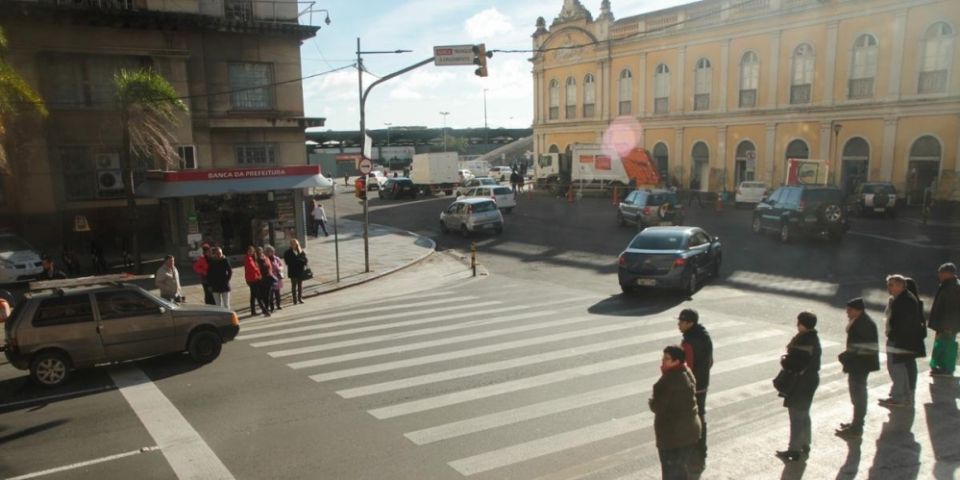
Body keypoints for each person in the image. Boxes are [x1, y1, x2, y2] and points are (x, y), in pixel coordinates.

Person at [649, 345, 701, 479]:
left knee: (670, 473)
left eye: (667, 358)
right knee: (680, 470)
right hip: (690, 432)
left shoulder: (667, 382)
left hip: (673, 437)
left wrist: (651, 401)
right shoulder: (687, 372)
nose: (663, 361)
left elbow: (657, 406)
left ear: (676, 361)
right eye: (663, 357)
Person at [776, 312, 821, 462]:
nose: (797, 325)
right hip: (809, 381)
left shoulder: (805, 340)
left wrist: (784, 361)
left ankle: (794, 450)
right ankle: (805, 443)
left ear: (804, 324)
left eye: (799, 322)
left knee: (796, 416)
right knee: (804, 413)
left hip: (801, 382)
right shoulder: (812, 338)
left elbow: (795, 363)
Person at [879, 274, 926, 408]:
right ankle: (902, 395)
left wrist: (893, 336)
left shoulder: (905, 300)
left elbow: (902, 323)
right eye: (888, 285)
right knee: (902, 369)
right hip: (903, 340)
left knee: (897, 369)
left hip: (900, 341)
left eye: (891, 285)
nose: (888, 288)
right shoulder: (901, 298)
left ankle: (900, 397)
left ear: (900, 285)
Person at [835, 298, 880, 438]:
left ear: (858, 310)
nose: (847, 313)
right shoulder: (861, 321)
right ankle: (856, 422)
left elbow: (859, 347)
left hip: (860, 365)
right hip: (860, 363)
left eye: (850, 310)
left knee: (858, 395)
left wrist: (844, 357)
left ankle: (857, 427)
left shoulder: (863, 324)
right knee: (856, 394)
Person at [678, 308, 713, 470]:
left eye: (682, 322)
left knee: (691, 422)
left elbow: (687, 368)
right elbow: (710, 361)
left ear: (690, 323)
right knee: (701, 418)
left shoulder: (688, 343)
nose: (679, 324)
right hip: (703, 384)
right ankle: (701, 455)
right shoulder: (705, 337)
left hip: (692, 388)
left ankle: (694, 458)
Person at [929, 262, 960, 377]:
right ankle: (941, 366)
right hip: (944, 324)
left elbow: (953, 310)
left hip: (948, 325)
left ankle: (945, 367)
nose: (939, 275)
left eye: (941, 273)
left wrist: (949, 326)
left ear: (948, 274)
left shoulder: (953, 287)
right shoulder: (948, 284)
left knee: (945, 346)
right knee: (942, 345)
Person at [244, 246, 269, 317]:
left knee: (253, 295)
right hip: (253, 279)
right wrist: (259, 273)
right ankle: (265, 311)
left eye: (252, 251)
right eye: (250, 251)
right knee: (258, 295)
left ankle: (253, 311)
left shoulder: (250, 258)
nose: (251, 252)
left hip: (252, 279)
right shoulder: (248, 259)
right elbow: (253, 268)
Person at [283, 239, 308, 305]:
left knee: (300, 286)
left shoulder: (300, 251)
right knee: (294, 286)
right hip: (293, 271)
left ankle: (300, 298)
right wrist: (298, 261)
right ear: (291, 245)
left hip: (300, 271)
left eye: (296, 244)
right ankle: (295, 300)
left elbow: (305, 260)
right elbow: (287, 262)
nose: (294, 245)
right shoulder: (287, 252)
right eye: (293, 244)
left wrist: (300, 261)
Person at [265, 245, 284, 312]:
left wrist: (279, 268)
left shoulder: (276, 258)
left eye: (273, 251)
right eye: (271, 251)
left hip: (277, 277)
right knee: (271, 293)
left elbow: (281, 265)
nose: (272, 252)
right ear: (267, 252)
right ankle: (272, 307)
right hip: (270, 278)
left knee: (277, 293)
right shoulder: (266, 259)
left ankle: (278, 305)